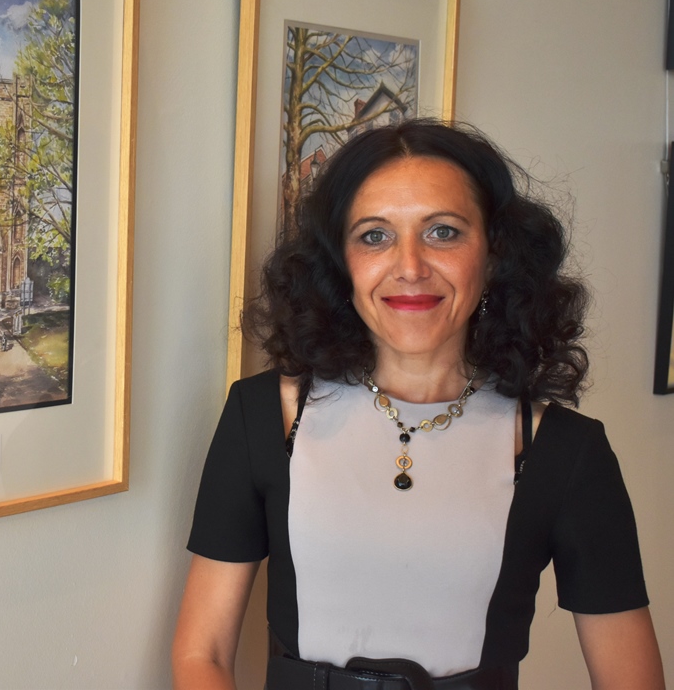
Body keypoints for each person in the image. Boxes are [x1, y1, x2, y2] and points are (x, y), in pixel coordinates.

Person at [172, 120, 665, 690]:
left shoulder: (567, 451)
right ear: (340, 263)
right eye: (374, 236)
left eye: (443, 232)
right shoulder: (263, 417)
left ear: (496, 253)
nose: (409, 266)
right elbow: (201, 653)